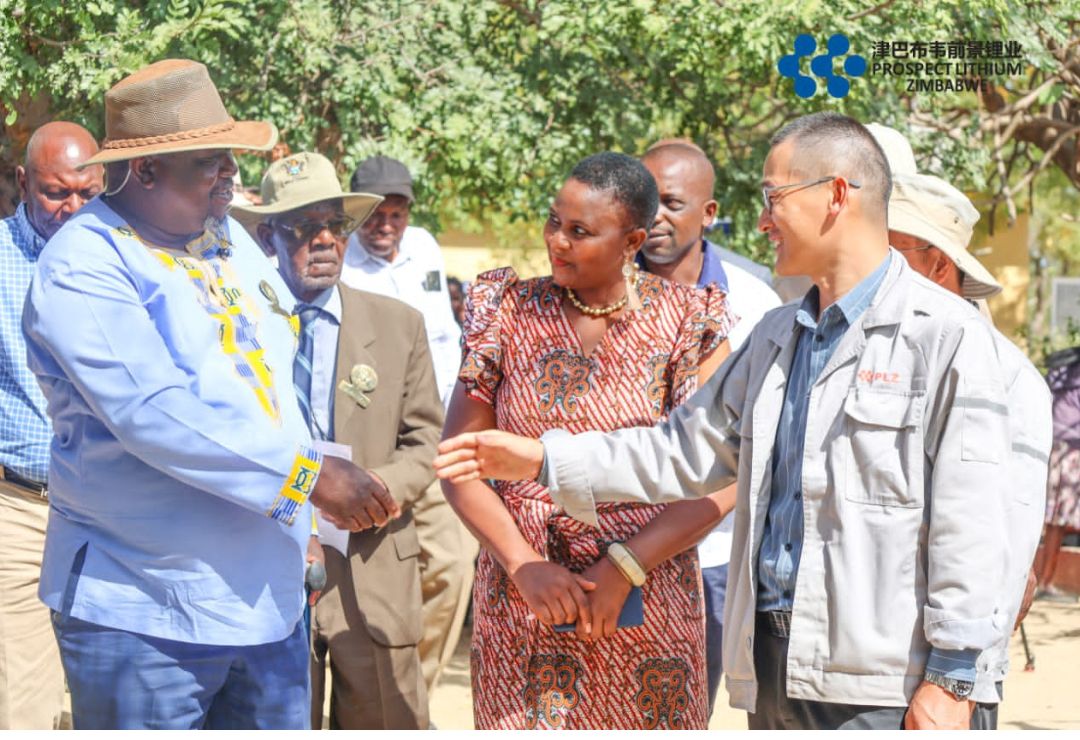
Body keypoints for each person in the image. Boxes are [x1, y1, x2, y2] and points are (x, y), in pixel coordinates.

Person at [436, 112, 1032, 730]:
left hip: (891, 686)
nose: (762, 221)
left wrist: (953, 679)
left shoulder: (946, 337)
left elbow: (979, 525)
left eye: (774, 198)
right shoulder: (779, 336)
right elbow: (681, 453)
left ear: (835, 195)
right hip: (782, 669)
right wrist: (541, 461)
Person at [22, 59, 395, 730]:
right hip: (142, 609)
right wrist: (306, 478)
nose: (231, 174)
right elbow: (154, 411)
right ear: (145, 171)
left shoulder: (230, 242)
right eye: (210, 161)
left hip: (266, 603)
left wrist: (303, 526)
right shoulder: (86, 262)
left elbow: (272, 386)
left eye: (230, 158)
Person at [440, 151, 736, 729]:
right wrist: (523, 564)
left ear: (632, 240)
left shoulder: (688, 321)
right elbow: (460, 461)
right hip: (526, 597)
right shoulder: (504, 313)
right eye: (555, 221)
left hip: (651, 594)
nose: (558, 241)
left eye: (581, 231)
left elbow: (725, 474)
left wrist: (624, 565)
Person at [236, 151, 442, 729]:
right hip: (267, 569)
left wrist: (374, 491)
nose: (325, 239)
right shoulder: (236, 326)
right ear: (269, 236)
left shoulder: (399, 325)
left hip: (373, 568)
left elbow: (427, 440)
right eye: (305, 227)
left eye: (336, 224)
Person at [880, 149, 1052, 729]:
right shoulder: (888, 351)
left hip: (944, 686)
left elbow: (1005, 540)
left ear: (934, 264)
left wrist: (954, 681)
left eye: (888, 252)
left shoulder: (1005, 373)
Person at [637, 139, 780, 716]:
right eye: (643, 201)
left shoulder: (753, 304)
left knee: (686, 711)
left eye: (670, 202)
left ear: (710, 212)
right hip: (608, 550)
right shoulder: (597, 291)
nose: (654, 218)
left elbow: (754, 449)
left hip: (716, 559)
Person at [342, 155, 477, 694]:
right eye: (375, 215)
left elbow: (445, 339)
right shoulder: (339, 262)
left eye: (396, 213)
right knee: (365, 581)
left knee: (453, 566)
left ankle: (409, 698)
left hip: (437, 438)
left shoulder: (424, 248)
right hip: (368, 448)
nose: (386, 226)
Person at [0, 121, 102, 729]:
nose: (73, 209)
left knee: (115, 688)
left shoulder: (121, 260)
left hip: (111, 508)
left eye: (88, 194)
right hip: (21, 510)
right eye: (56, 193)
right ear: (21, 183)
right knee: (26, 698)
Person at [1041, 348, 1080, 602]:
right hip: (1072, 450)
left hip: (1053, 446)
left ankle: (1044, 581)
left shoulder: (1059, 373)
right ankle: (1045, 582)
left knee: (1054, 518)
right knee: (1058, 517)